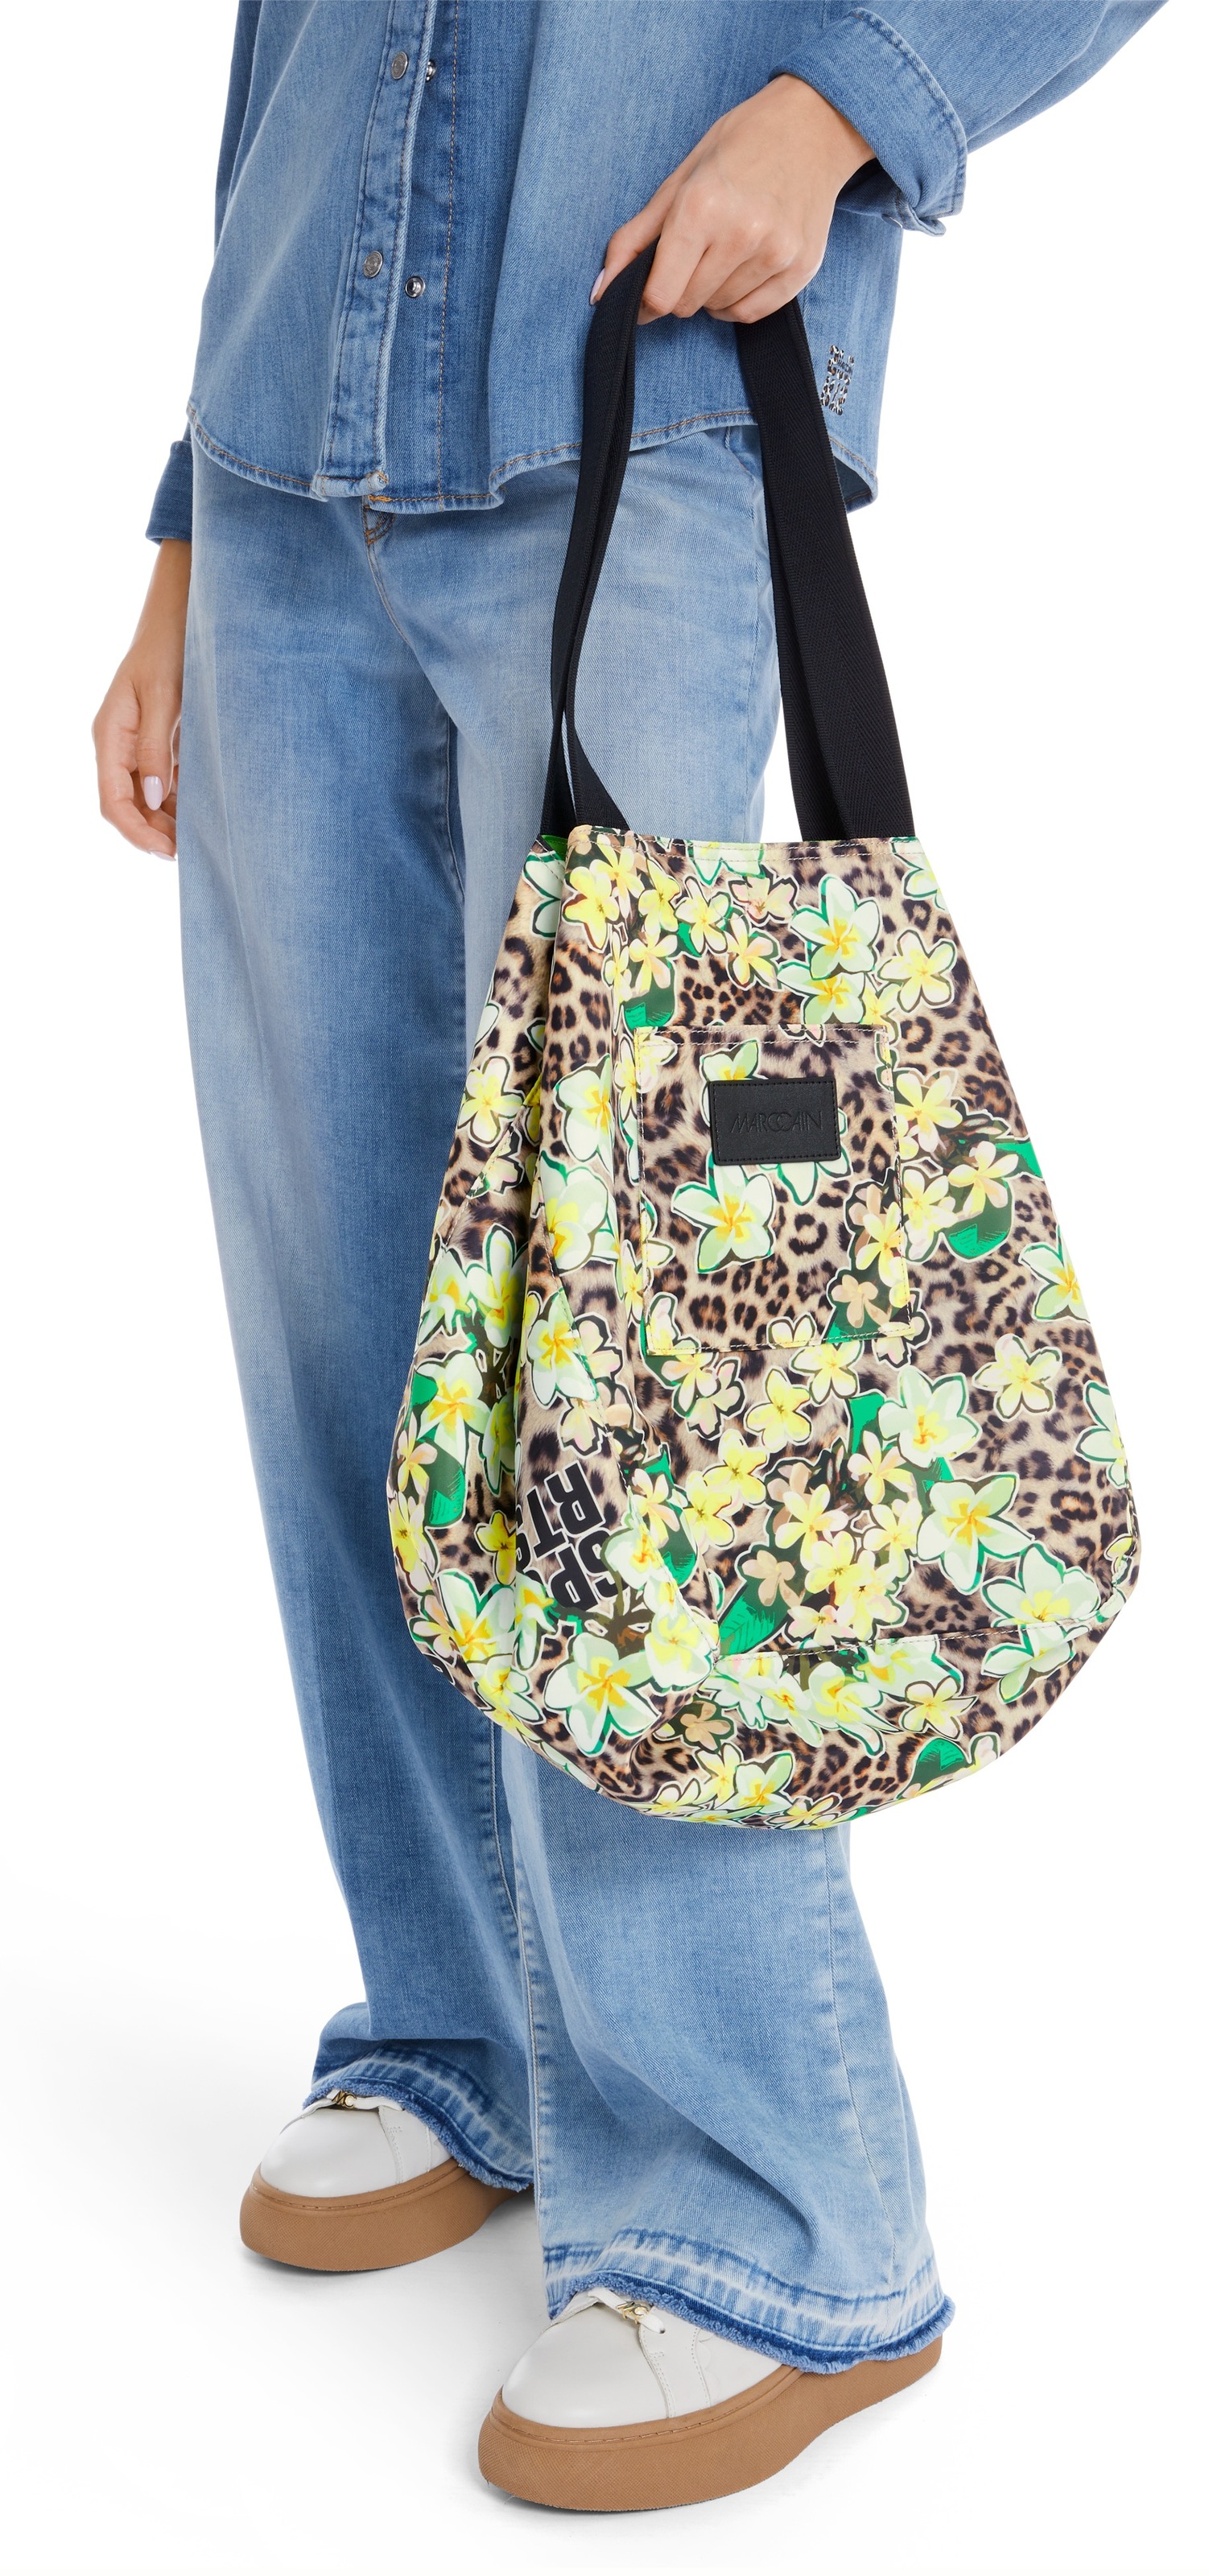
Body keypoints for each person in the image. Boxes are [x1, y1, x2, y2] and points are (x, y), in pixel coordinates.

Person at [93, 2, 1162, 2515]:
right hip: (283, 462)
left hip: (650, 423)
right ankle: (462, 2024)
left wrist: (846, 106)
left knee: (647, 1371)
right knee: (348, 1316)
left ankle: (767, 2211)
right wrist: (183, 514)